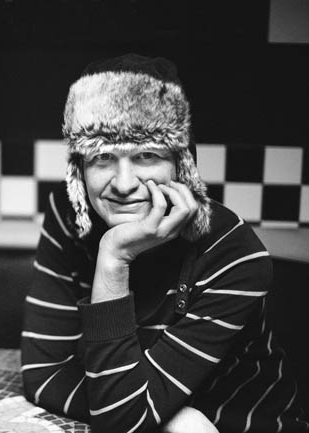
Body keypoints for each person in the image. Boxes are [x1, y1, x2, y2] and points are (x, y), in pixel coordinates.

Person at [21, 54, 308, 432]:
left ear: (182, 164)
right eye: (102, 157)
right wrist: (114, 257)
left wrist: (137, 413)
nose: (124, 184)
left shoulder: (234, 253)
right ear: (80, 168)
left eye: (147, 155)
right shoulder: (71, 214)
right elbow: (44, 374)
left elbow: (122, 420)